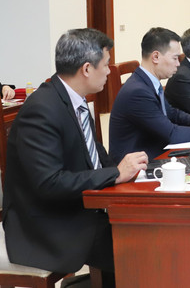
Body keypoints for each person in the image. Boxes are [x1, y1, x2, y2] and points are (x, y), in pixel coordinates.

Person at [2, 28, 148, 285]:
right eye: (106, 64)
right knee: (143, 249)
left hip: (79, 206)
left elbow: (95, 155)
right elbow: (49, 183)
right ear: (87, 69)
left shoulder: (74, 99)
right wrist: (115, 174)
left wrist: (132, 174)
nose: (109, 71)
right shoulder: (41, 110)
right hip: (47, 223)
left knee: (146, 228)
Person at [109, 27, 190, 162]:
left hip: (158, 151)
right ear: (156, 57)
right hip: (140, 165)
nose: (178, 64)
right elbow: (171, 133)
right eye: (175, 58)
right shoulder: (138, 92)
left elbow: (174, 114)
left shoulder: (148, 82)